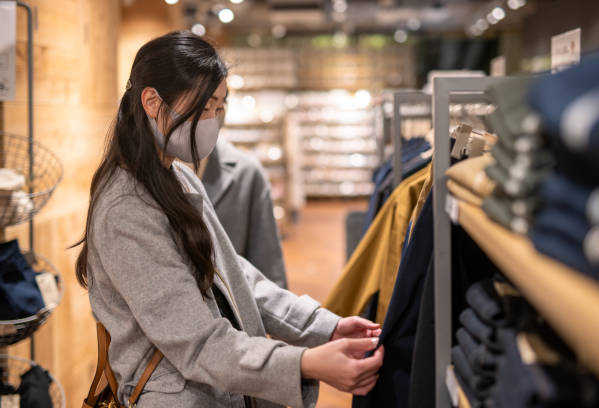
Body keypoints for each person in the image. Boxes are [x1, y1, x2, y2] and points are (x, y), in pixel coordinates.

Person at [74, 31, 384, 408]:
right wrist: (306, 362)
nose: (212, 120)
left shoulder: (178, 176)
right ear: (153, 102)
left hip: (219, 387)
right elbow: (198, 343)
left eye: (219, 107)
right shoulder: (125, 209)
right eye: (203, 107)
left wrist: (321, 327)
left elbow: (231, 273)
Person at [200, 135, 288, 289]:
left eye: (216, 109)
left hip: (235, 302)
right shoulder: (154, 173)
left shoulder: (248, 172)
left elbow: (268, 265)